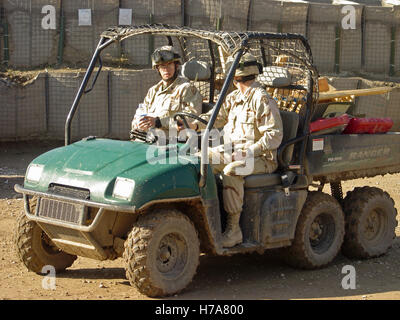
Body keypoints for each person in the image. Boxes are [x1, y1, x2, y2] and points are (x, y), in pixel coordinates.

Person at [182, 52, 284, 248]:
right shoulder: (235, 97)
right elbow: (215, 118)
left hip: (261, 158)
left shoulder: (261, 99)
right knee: (198, 160)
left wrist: (249, 152)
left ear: (236, 77)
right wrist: (193, 125)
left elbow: (274, 135)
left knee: (232, 170)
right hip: (232, 150)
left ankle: (233, 229)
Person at [131, 46, 203, 140]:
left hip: (171, 143)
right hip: (146, 139)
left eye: (169, 64)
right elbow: (141, 113)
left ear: (176, 66)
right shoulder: (153, 91)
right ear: (158, 68)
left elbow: (189, 121)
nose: (166, 69)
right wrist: (138, 123)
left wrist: (159, 122)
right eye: (162, 66)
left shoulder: (186, 88)